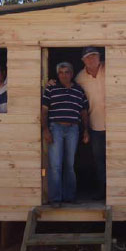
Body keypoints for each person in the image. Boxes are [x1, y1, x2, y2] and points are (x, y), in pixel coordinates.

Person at [42, 62, 90, 207]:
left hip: (73, 129)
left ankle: (69, 197)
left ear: (72, 73)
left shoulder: (79, 90)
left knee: (70, 164)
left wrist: (86, 130)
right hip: (55, 128)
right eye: (61, 72)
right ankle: (55, 199)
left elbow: (84, 112)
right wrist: (45, 130)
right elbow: (44, 111)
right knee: (55, 165)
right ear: (58, 74)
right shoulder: (51, 88)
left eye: (67, 72)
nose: (64, 75)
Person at [75, 47, 106, 200]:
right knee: (99, 160)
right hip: (96, 124)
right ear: (83, 60)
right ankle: (103, 192)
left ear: (100, 57)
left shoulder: (110, 68)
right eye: (88, 57)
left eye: (94, 55)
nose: (91, 59)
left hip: (118, 124)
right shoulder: (79, 78)